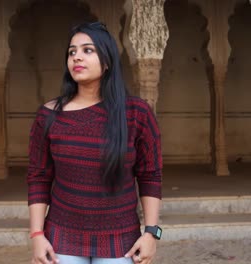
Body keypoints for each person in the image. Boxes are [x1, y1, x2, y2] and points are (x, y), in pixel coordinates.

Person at [27, 21, 162, 264]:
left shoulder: (136, 114)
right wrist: (37, 234)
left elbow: (150, 176)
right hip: (62, 239)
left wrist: (152, 233)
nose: (77, 57)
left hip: (121, 241)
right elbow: (38, 177)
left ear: (108, 61)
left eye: (87, 50)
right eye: (72, 52)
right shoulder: (48, 116)